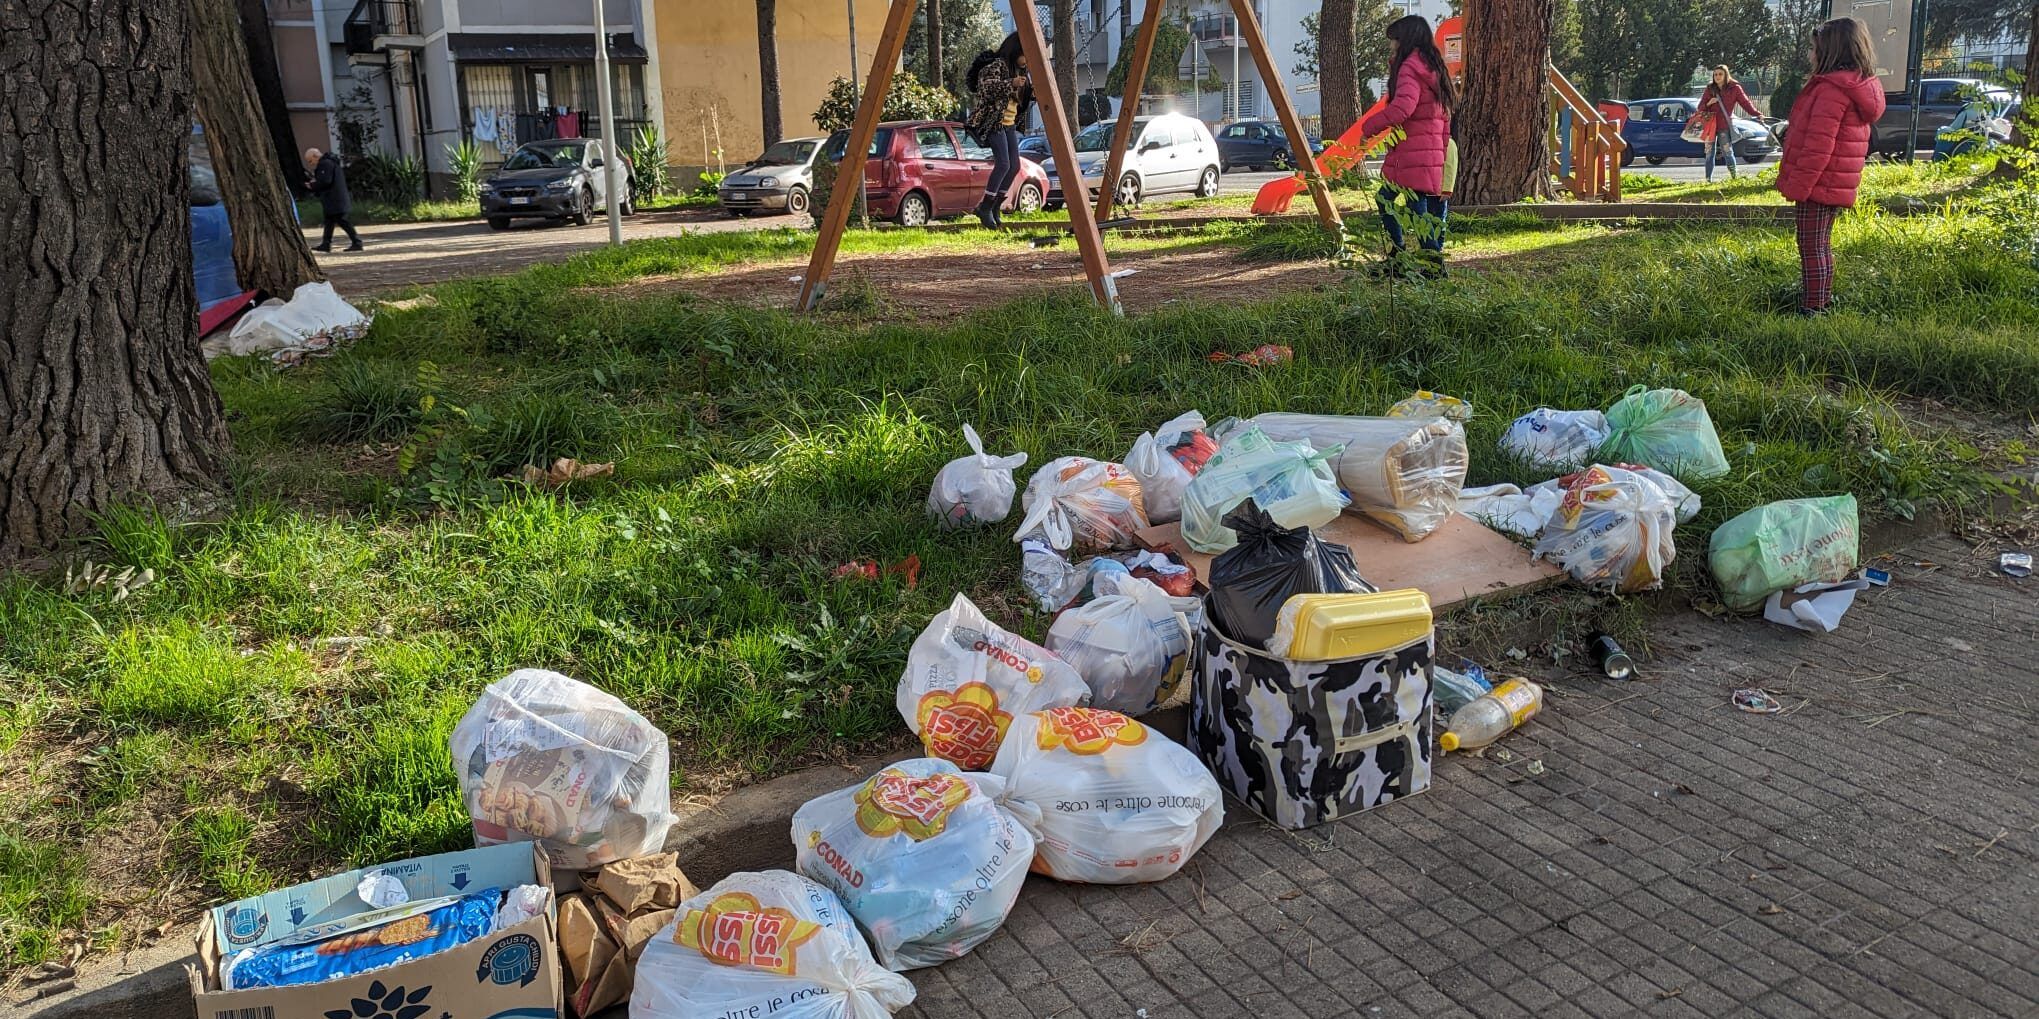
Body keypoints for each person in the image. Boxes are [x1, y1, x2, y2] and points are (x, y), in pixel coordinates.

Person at [1775, 18, 1885, 316]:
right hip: (1831, 180)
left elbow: (1818, 146)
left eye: (1814, 48)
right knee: (1818, 244)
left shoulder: (1831, 90)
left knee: (1812, 246)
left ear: (1831, 51)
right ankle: (1819, 299)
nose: (1810, 54)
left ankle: (1814, 307)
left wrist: (1800, 186)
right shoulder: (1852, 85)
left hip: (1820, 183)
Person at [1360, 15, 1455, 278]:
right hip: (1430, 150)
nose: (1392, 48)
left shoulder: (1410, 67)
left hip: (1413, 151)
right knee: (1416, 207)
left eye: (1395, 41)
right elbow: (1446, 114)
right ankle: (1420, 261)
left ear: (1406, 39)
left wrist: (1369, 128)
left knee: (1404, 206)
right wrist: (1442, 147)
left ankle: (1417, 261)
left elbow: (1402, 108)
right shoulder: (1435, 67)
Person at [966, 34, 1034, 229]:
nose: (1027, 61)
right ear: (1015, 51)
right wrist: (1010, 84)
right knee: (1003, 163)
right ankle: (985, 206)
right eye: (1025, 55)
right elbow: (985, 87)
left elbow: (1020, 99)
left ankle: (995, 206)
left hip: (1009, 123)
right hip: (994, 122)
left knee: (1014, 166)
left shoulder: (1020, 71)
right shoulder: (997, 65)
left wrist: (1030, 93)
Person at [1699, 65, 1761, 182]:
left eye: (1720, 74)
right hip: (1710, 126)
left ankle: (1734, 178)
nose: (1717, 77)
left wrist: (1757, 113)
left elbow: (1745, 103)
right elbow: (1700, 107)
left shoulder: (1735, 88)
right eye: (1715, 74)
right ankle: (1708, 180)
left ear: (1726, 74)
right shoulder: (1710, 89)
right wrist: (1708, 103)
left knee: (1727, 152)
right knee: (1709, 154)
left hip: (1724, 126)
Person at [304, 147, 363, 252]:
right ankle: (326, 244)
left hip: (334, 199)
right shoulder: (331, 162)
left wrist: (313, 185)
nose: (311, 163)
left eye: (310, 160)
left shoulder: (325, 164)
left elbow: (326, 181)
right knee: (329, 221)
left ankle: (357, 242)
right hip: (335, 198)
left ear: (315, 156)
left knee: (342, 221)